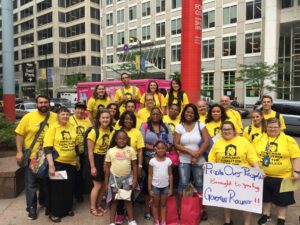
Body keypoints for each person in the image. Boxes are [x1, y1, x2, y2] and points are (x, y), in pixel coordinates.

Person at [208, 121, 260, 225]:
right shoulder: (218, 142)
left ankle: (247, 222)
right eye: (224, 129)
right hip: (224, 177)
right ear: (221, 131)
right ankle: (228, 221)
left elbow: (252, 157)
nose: (227, 131)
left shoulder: (244, 141)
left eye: (229, 129)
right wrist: (208, 167)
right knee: (226, 200)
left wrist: (258, 170)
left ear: (234, 130)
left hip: (243, 177)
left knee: (246, 201)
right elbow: (212, 158)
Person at [15, 95, 57, 220]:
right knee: (31, 184)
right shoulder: (28, 117)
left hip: (48, 156)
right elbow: (19, 135)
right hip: (32, 157)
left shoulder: (55, 117)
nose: (43, 104)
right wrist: (19, 151)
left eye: (45, 102)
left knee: (46, 182)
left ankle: (43, 202)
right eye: (40, 102)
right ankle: (31, 207)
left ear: (49, 103)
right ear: (36, 104)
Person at [254, 118, 300, 225]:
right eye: (270, 127)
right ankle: (266, 215)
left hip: (283, 176)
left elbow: (296, 157)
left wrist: (297, 171)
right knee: (265, 197)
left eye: (275, 127)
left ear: (280, 128)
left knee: (282, 200)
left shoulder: (289, 140)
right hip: (263, 175)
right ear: (266, 128)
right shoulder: (259, 138)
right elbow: (252, 156)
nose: (273, 129)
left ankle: (281, 218)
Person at [43, 107, 80, 223]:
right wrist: (51, 165)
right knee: (57, 189)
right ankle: (54, 212)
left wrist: (77, 160)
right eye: (63, 114)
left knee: (69, 187)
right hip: (58, 163)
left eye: (67, 114)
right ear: (58, 115)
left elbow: (76, 146)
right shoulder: (53, 128)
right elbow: (47, 148)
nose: (65, 116)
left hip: (71, 164)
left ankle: (67, 209)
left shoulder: (72, 127)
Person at [174, 103, 210, 217]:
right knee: (183, 183)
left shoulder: (201, 125)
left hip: (199, 160)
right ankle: (181, 208)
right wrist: (191, 153)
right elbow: (176, 144)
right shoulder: (179, 126)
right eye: (187, 112)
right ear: (184, 113)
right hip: (184, 159)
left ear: (195, 114)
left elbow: (207, 141)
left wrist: (197, 155)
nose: (189, 114)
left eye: (192, 112)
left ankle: (201, 209)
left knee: (199, 184)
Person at [140, 107, 173, 220]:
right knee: (147, 184)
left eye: (157, 114)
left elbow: (170, 142)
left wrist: (162, 149)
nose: (155, 115)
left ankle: (159, 211)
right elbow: (142, 142)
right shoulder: (144, 126)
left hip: (163, 159)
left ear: (160, 115)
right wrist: (155, 149)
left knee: (160, 182)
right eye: (153, 113)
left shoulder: (166, 126)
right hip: (148, 159)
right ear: (150, 115)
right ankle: (147, 209)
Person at [113, 110, 145, 224]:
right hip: (118, 166)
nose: (128, 121)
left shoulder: (137, 132)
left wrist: (140, 166)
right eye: (126, 118)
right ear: (122, 120)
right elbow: (110, 150)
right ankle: (120, 214)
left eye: (131, 119)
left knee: (130, 190)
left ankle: (129, 214)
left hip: (133, 166)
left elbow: (140, 151)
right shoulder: (117, 132)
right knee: (119, 190)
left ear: (134, 121)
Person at [104, 130, 138, 225]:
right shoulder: (111, 151)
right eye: (119, 138)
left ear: (127, 140)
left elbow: (134, 165)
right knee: (114, 201)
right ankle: (111, 222)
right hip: (114, 180)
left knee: (127, 199)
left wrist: (135, 179)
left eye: (124, 138)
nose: (121, 140)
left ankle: (131, 220)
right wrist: (106, 182)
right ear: (115, 139)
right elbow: (107, 167)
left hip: (127, 180)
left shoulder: (131, 150)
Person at [87, 109, 113, 217]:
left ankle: (98, 205)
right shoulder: (94, 131)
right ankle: (93, 207)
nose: (105, 119)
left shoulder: (111, 130)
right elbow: (90, 151)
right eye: (103, 117)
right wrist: (93, 167)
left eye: (107, 117)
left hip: (106, 158)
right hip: (96, 158)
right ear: (99, 119)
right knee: (97, 185)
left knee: (104, 184)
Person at [69, 102, 92, 203]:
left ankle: (79, 193)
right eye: (78, 108)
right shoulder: (69, 120)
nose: (80, 111)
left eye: (82, 109)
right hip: (73, 151)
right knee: (74, 173)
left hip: (84, 152)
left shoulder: (88, 122)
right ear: (74, 109)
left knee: (81, 174)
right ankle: (74, 193)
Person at [148, 140, 173, 225]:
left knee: (163, 205)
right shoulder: (152, 161)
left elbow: (170, 175)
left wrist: (170, 188)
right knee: (155, 205)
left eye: (163, 148)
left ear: (166, 149)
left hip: (165, 187)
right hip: (155, 187)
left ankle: (163, 221)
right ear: (155, 149)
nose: (161, 150)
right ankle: (156, 221)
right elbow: (150, 175)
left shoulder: (168, 161)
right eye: (158, 148)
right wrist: (149, 189)